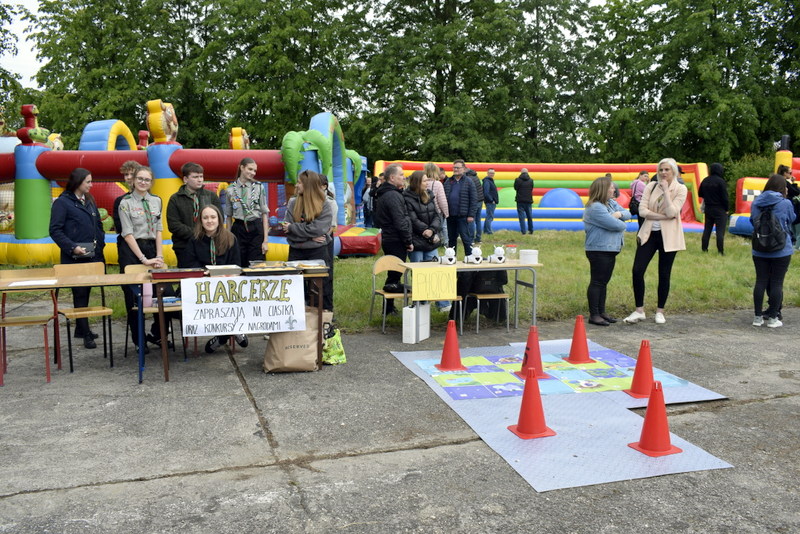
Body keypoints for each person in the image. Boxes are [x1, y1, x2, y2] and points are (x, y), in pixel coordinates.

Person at [623, 158, 688, 325]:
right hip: (649, 233)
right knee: (637, 270)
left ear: (673, 171)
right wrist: (663, 217)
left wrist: (666, 191)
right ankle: (639, 310)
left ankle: (660, 311)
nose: (663, 173)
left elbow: (673, 211)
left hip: (669, 236)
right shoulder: (650, 186)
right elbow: (642, 210)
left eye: (667, 170)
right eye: (661, 170)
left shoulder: (680, 189)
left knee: (664, 273)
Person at [49, 168, 106, 349]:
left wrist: (101, 244)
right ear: (78, 182)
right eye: (88, 181)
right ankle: (85, 332)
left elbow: (98, 225)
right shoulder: (62, 203)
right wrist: (72, 247)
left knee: (86, 291)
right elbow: (55, 230)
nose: (91, 185)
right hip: (75, 257)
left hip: (92, 255)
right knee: (80, 293)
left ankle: (80, 328)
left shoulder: (89, 200)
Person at [117, 166, 167, 352]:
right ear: (134, 180)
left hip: (151, 247)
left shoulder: (156, 201)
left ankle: (159, 334)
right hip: (132, 251)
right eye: (140, 178)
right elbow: (127, 234)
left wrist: (159, 255)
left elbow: (159, 229)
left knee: (160, 292)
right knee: (134, 297)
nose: (143, 182)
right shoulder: (125, 203)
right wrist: (143, 259)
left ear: (151, 182)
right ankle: (139, 340)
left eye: (147, 179)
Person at [186, 205, 248, 352]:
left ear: (219, 219)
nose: (209, 221)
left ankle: (222, 337)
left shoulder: (230, 238)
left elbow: (236, 264)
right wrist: (206, 273)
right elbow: (189, 263)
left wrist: (224, 274)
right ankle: (233, 330)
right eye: (205, 218)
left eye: (213, 217)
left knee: (233, 297)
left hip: (226, 284)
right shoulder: (194, 239)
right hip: (203, 284)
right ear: (200, 221)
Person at [282, 170, 334, 312]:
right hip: (296, 252)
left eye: (299, 182)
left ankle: (322, 318)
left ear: (308, 185)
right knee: (295, 288)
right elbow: (287, 229)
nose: (296, 185)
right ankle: (298, 318)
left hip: (317, 252)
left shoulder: (324, 204)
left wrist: (294, 228)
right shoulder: (293, 203)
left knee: (320, 288)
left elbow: (319, 229)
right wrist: (310, 237)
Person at [583, 176, 630, 326]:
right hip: (599, 250)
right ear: (603, 189)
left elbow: (628, 214)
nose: (614, 189)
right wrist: (618, 219)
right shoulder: (596, 207)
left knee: (603, 282)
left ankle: (601, 312)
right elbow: (619, 226)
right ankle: (594, 314)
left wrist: (618, 214)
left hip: (609, 249)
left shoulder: (610, 203)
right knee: (597, 282)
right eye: (611, 187)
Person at [750, 174, 795, 328]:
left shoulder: (756, 202)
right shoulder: (785, 203)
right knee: (777, 283)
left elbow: (752, 221)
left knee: (760, 281)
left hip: (759, 248)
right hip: (781, 249)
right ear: (783, 188)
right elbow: (791, 219)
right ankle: (773, 319)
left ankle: (757, 318)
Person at [374, 163, 413, 314]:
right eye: (401, 175)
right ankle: (388, 308)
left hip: (391, 237)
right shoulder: (392, 195)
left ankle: (389, 308)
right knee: (395, 275)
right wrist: (408, 240)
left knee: (394, 274)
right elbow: (400, 220)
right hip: (395, 239)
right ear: (392, 177)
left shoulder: (389, 193)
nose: (404, 177)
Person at [167, 162, 222, 268]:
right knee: (188, 276)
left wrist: (205, 235)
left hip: (208, 244)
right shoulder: (175, 199)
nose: (200, 180)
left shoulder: (211, 196)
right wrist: (197, 234)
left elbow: (219, 218)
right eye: (195, 177)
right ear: (185, 179)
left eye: (201, 176)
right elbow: (174, 225)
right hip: (184, 246)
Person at [223, 157, 269, 266]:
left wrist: (265, 241)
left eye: (255, 171)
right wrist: (228, 238)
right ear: (242, 168)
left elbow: (264, 214)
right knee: (238, 262)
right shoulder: (230, 189)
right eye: (250, 169)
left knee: (256, 263)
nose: (253, 173)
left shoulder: (258, 187)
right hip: (239, 228)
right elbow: (229, 217)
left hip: (255, 227)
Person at [404, 170, 442, 262]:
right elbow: (412, 219)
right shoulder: (407, 198)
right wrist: (426, 231)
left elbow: (436, 215)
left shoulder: (429, 195)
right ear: (417, 183)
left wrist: (432, 230)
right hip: (416, 240)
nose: (427, 183)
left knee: (433, 267)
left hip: (431, 240)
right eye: (425, 181)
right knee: (418, 268)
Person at [443, 159, 477, 255]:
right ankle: (451, 258)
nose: (456, 169)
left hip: (463, 216)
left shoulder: (469, 182)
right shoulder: (448, 181)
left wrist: (471, 215)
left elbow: (474, 199)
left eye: (458, 168)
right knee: (451, 239)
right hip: (450, 215)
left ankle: (469, 257)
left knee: (466, 238)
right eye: (454, 167)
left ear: (464, 169)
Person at [698, 162, 729, 254]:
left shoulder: (705, 180)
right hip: (720, 209)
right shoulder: (721, 181)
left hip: (708, 208)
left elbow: (700, 193)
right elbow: (725, 197)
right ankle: (720, 251)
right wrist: (727, 209)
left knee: (707, 229)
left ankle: (704, 249)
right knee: (720, 231)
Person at [424, 162, 448, 245]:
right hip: (436, 210)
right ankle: (445, 242)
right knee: (443, 227)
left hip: (424, 211)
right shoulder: (438, 184)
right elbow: (442, 200)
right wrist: (446, 213)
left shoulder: (422, 183)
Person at [113, 160, 140, 234]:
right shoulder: (120, 201)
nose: (129, 177)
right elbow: (119, 227)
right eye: (126, 174)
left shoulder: (150, 199)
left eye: (132, 174)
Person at [777, 164, 800, 248]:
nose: (791, 175)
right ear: (785, 173)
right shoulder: (785, 182)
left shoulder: (780, 181)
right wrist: (792, 183)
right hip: (791, 206)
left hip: (787, 207)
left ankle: (792, 244)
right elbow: (796, 191)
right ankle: (796, 246)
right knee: (795, 225)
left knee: (791, 226)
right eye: (790, 173)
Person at [465, 168, 484, 243]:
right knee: (478, 220)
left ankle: (471, 238)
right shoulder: (476, 177)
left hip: (474, 201)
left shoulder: (468, 179)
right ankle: (478, 237)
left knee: (471, 220)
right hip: (480, 200)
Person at [514, 168, 534, 234]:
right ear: (527, 172)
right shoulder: (531, 180)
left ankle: (523, 231)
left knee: (521, 217)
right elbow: (531, 188)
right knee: (529, 216)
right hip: (528, 200)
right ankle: (531, 230)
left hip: (520, 200)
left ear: (521, 172)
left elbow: (515, 188)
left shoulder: (517, 180)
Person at [482, 168, 499, 235]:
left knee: (489, 216)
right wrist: (491, 200)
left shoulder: (490, 181)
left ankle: (486, 230)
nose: (492, 174)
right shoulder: (487, 181)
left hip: (490, 201)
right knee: (490, 216)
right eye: (491, 173)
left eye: (493, 173)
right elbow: (486, 192)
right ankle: (488, 231)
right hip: (490, 202)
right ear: (487, 173)